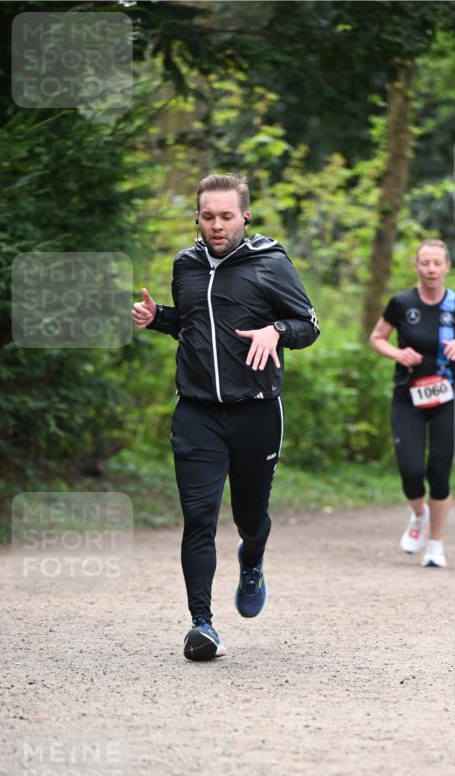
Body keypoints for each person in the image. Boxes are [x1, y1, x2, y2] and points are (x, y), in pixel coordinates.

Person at [132, 173, 319, 660]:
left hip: (256, 414)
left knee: (250, 519)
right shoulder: (185, 264)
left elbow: (308, 324)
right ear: (197, 217)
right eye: (208, 216)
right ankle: (202, 624)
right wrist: (161, 320)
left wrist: (276, 330)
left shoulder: (269, 263)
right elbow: (195, 326)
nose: (218, 225)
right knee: (198, 519)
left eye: (227, 216)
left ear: (245, 217)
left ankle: (252, 559)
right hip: (196, 412)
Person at [368, 239, 455, 568]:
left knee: (438, 470)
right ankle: (419, 515)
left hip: (447, 396)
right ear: (416, 267)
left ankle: (435, 545)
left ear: (447, 266)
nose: (431, 269)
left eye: (437, 263)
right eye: (425, 262)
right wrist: (398, 353)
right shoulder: (401, 303)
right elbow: (376, 338)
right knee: (410, 469)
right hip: (408, 393)